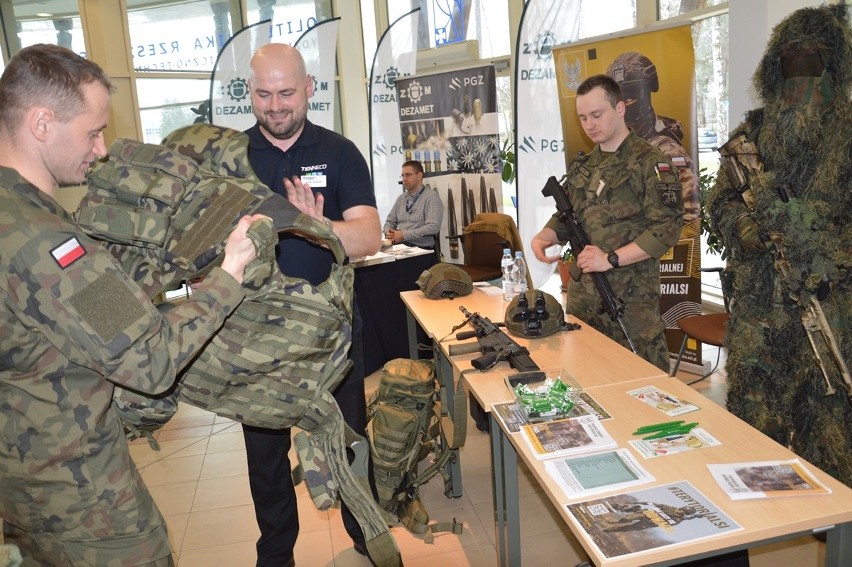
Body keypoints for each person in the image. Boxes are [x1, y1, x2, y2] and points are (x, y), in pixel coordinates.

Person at [0, 44, 261, 565]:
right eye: (93, 131)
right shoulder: (46, 241)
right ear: (42, 122)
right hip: (88, 509)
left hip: (21, 488)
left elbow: (109, 313)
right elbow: (149, 358)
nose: (100, 150)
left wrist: (181, 288)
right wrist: (229, 275)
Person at [242, 42, 382, 566]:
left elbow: (368, 237)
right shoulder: (233, 158)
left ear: (309, 90)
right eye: (263, 94)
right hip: (256, 338)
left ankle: (367, 538)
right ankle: (275, 555)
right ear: (249, 93)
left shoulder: (340, 151)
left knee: (347, 443)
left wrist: (316, 227)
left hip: (332, 334)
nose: (276, 106)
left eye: (286, 93)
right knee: (266, 458)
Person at [706, 4, 852, 488]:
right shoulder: (753, 136)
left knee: (831, 448)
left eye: (815, 65)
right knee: (752, 446)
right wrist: (741, 226)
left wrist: (826, 249)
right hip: (759, 317)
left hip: (830, 317)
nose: (803, 81)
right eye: (792, 65)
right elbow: (721, 199)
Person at [529, 74, 683, 373]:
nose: (589, 125)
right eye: (583, 117)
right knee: (587, 377)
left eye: (597, 115)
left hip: (629, 300)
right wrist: (544, 235)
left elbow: (665, 231)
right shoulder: (584, 166)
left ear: (621, 108)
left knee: (644, 380)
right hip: (584, 297)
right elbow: (569, 215)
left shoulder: (651, 163)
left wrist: (610, 259)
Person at [606, 51, 700, 223]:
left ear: (646, 94)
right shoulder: (615, 148)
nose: (623, 105)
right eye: (618, 99)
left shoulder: (667, 153)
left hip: (653, 248)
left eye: (630, 96)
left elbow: (688, 220)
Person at [384, 160, 443, 249]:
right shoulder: (401, 198)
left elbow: (433, 227)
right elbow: (390, 221)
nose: (404, 179)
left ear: (419, 176)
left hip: (422, 249)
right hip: (401, 247)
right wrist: (388, 232)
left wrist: (404, 235)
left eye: (408, 175)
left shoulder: (431, 197)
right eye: (402, 175)